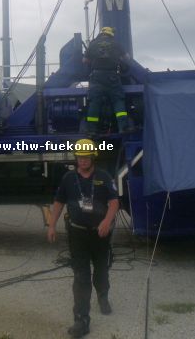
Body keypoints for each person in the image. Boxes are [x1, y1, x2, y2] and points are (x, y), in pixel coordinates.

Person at [47, 139, 119, 338]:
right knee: (81, 275)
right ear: (76, 158)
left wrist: (107, 221)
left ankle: (103, 296)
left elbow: (114, 202)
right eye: (80, 156)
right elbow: (59, 202)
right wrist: (52, 225)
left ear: (92, 157)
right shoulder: (69, 178)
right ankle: (81, 319)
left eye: (86, 156)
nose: (83, 160)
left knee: (101, 269)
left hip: (100, 234)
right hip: (77, 233)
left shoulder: (103, 177)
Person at [84, 26, 130, 136]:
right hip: (112, 76)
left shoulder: (93, 44)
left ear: (101, 33)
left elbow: (85, 60)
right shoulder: (116, 44)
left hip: (96, 76)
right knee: (118, 100)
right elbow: (127, 58)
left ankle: (91, 130)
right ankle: (123, 128)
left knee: (94, 102)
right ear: (111, 34)